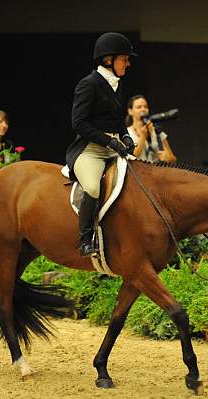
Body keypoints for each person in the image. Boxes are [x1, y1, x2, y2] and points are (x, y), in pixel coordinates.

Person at [65, 32, 137, 257]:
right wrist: (109, 141)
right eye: (124, 59)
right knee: (93, 187)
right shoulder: (88, 84)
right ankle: (85, 239)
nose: (128, 63)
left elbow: (118, 120)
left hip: (114, 147)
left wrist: (124, 136)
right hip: (91, 150)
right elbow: (78, 124)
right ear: (109, 60)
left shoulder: (117, 84)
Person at [126, 95, 177, 163]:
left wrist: (168, 158)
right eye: (139, 107)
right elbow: (130, 158)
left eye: (145, 107)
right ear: (130, 111)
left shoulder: (156, 130)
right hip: (138, 171)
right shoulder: (127, 133)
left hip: (155, 171)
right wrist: (143, 137)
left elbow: (173, 158)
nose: (143, 109)